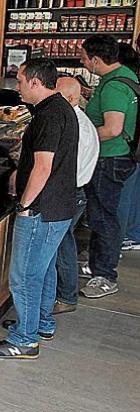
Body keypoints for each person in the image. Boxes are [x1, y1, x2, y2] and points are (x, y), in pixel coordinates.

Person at [0, 58, 78, 359]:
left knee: (24, 275)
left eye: (21, 81)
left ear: (36, 82)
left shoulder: (48, 116)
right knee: (44, 269)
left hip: (41, 209)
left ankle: (25, 339)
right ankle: (41, 323)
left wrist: (24, 204)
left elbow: (43, 166)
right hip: (59, 206)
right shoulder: (61, 108)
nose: (18, 87)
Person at [79, 35, 138, 298]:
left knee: (104, 217)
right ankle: (97, 265)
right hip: (117, 158)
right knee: (102, 214)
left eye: (83, 57)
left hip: (109, 160)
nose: (82, 62)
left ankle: (105, 275)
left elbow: (112, 129)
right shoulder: (124, 75)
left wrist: (80, 136)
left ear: (95, 59)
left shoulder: (114, 86)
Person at [52, 77, 100, 315]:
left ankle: (65, 296)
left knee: (61, 247)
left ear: (71, 98)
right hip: (74, 193)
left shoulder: (75, 126)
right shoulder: (76, 120)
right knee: (63, 244)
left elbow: (64, 168)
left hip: (69, 193)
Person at [117, 42, 140, 252]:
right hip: (134, 145)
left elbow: (114, 127)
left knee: (124, 195)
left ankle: (127, 236)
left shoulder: (126, 78)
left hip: (129, 148)